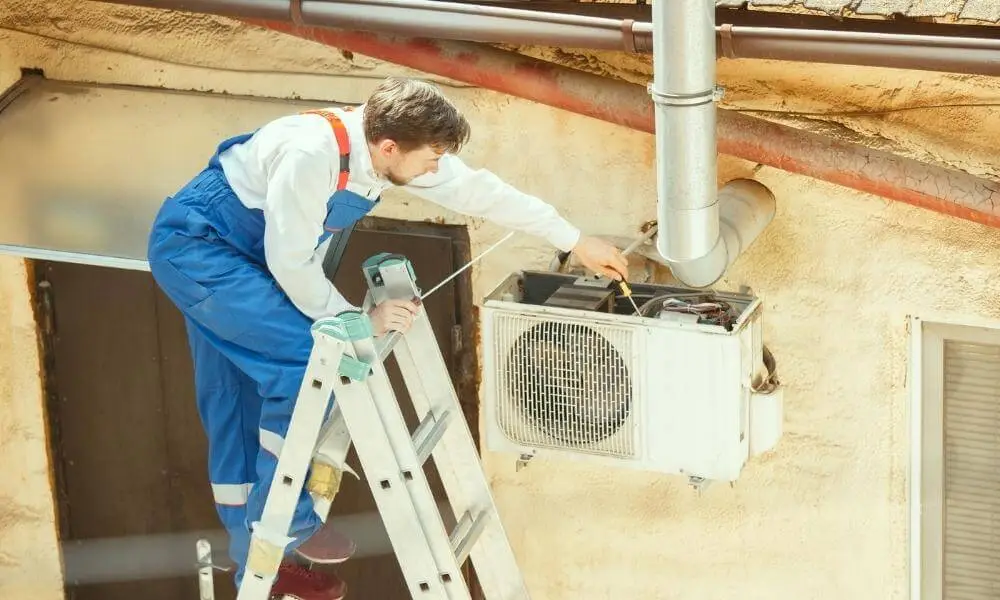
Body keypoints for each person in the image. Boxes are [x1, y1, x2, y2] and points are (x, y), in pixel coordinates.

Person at [146, 76, 628, 600]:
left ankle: (260, 562)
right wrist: (356, 324)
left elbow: (482, 191)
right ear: (389, 147)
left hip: (248, 254)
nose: (436, 169)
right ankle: (281, 522)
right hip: (201, 250)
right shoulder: (312, 154)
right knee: (306, 362)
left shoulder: (387, 147)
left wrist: (575, 239)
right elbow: (290, 263)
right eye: (431, 158)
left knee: (240, 389)